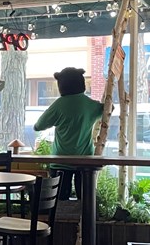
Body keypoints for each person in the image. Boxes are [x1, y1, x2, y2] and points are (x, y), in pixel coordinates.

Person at [34, 67, 103, 198]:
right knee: (85, 200)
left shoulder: (58, 105)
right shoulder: (91, 105)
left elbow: (38, 126)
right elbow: (106, 109)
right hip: (85, 162)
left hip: (60, 160)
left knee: (58, 202)